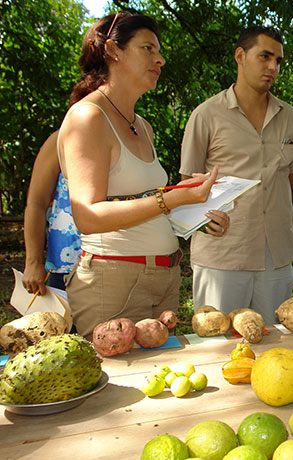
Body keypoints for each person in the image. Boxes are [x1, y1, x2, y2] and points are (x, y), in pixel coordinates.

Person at [58, 12, 229, 339]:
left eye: (159, 51)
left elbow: (143, 203)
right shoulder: (88, 117)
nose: (160, 59)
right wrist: (173, 197)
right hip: (114, 282)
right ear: (112, 50)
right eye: (148, 48)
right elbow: (88, 215)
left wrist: (194, 213)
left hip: (164, 278)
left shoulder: (143, 126)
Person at [180, 26, 293, 323]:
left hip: (276, 254)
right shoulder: (206, 115)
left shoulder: (290, 117)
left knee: (275, 345)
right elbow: (188, 185)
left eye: (278, 60)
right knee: (218, 345)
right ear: (240, 55)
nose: (273, 67)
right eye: (265, 56)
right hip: (222, 253)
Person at [22, 131, 82, 296]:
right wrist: (33, 262)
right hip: (68, 264)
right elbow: (36, 204)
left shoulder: (130, 133)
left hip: (123, 260)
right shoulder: (61, 139)